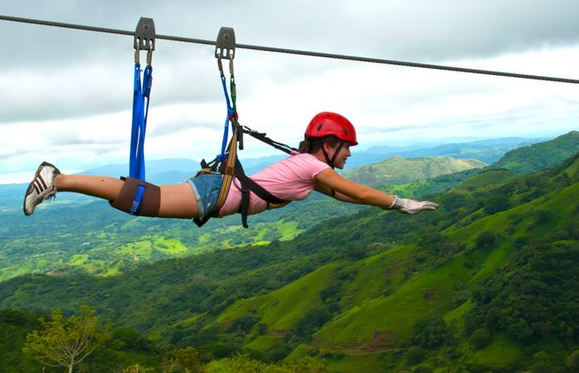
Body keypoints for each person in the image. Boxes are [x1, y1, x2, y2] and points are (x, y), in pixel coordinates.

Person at [23, 112, 439, 219]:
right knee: (141, 200)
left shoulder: (308, 172)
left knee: (141, 199)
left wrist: (388, 207)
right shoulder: (312, 167)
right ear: (327, 146)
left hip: (216, 193)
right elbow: (360, 191)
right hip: (215, 194)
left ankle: (59, 180)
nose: (348, 155)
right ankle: (57, 178)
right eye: (346, 148)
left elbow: (349, 198)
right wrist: (401, 203)